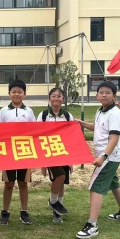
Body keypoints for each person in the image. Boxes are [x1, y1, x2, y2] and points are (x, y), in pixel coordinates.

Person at [76, 81, 120, 239]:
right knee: (114, 184)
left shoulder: (115, 113)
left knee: (96, 186)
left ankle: (92, 225)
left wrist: (104, 157)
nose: (104, 95)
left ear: (114, 96)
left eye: (108, 93)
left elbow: (114, 138)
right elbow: (98, 127)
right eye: (101, 92)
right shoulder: (100, 111)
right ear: (97, 96)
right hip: (106, 156)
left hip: (109, 157)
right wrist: (82, 124)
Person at [0, 79, 36, 226]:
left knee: (23, 183)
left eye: (20, 92)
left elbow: (34, 131)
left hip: (24, 152)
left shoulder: (29, 111)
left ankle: (24, 211)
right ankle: (5, 211)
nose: (16, 94)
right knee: (8, 183)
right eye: (14, 92)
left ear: (24, 94)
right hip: (8, 152)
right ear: (9, 93)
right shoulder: (4, 111)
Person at [37, 87, 72, 224]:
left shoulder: (67, 116)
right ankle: (52, 201)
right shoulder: (43, 115)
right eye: (53, 96)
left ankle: (57, 212)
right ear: (49, 99)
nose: (56, 98)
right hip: (49, 153)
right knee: (60, 176)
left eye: (59, 96)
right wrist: (42, 161)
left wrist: (71, 159)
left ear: (63, 99)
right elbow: (38, 136)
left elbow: (72, 137)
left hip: (64, 153)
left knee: (61, 183)